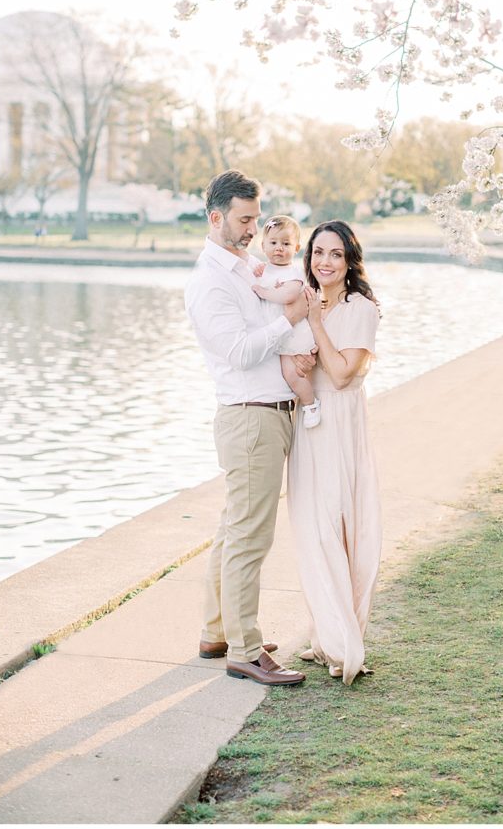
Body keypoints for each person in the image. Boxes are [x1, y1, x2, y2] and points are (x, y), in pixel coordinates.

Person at [184, 169, 314, 687]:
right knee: (250, 537)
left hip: (270, 413)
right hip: (249, 417)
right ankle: (246, 650)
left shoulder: (248, 267)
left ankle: (219, 632)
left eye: (256, 219)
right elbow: (238, 353)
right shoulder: (209, 282)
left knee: (233, 529)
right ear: (216, 218)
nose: (252, 228)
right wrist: (289, 321)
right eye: (244, 219)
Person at [287, 220, 382, 685]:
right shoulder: (305, 299)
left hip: (340, 426)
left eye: (335, 254)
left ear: (349, 261)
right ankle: (325, 634)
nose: (324, 262)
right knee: (310, 528)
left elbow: (343, 373)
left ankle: (345, 641)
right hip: (309, 426)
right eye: (317, 252)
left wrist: (316, 326)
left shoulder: (360, 308)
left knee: (338, 530)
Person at [250, 215, 321, 428]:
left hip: (293, 334)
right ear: (263, 246)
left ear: (297, 247)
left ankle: (310, 404)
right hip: (278, 334)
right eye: (273, 243)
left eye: (286, 243)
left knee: (292, 374)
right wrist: (260, 276)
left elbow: (289, 296)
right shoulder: (264, 270)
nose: (279, 248)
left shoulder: (293, 272)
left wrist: (264, 291)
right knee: (285, 374)